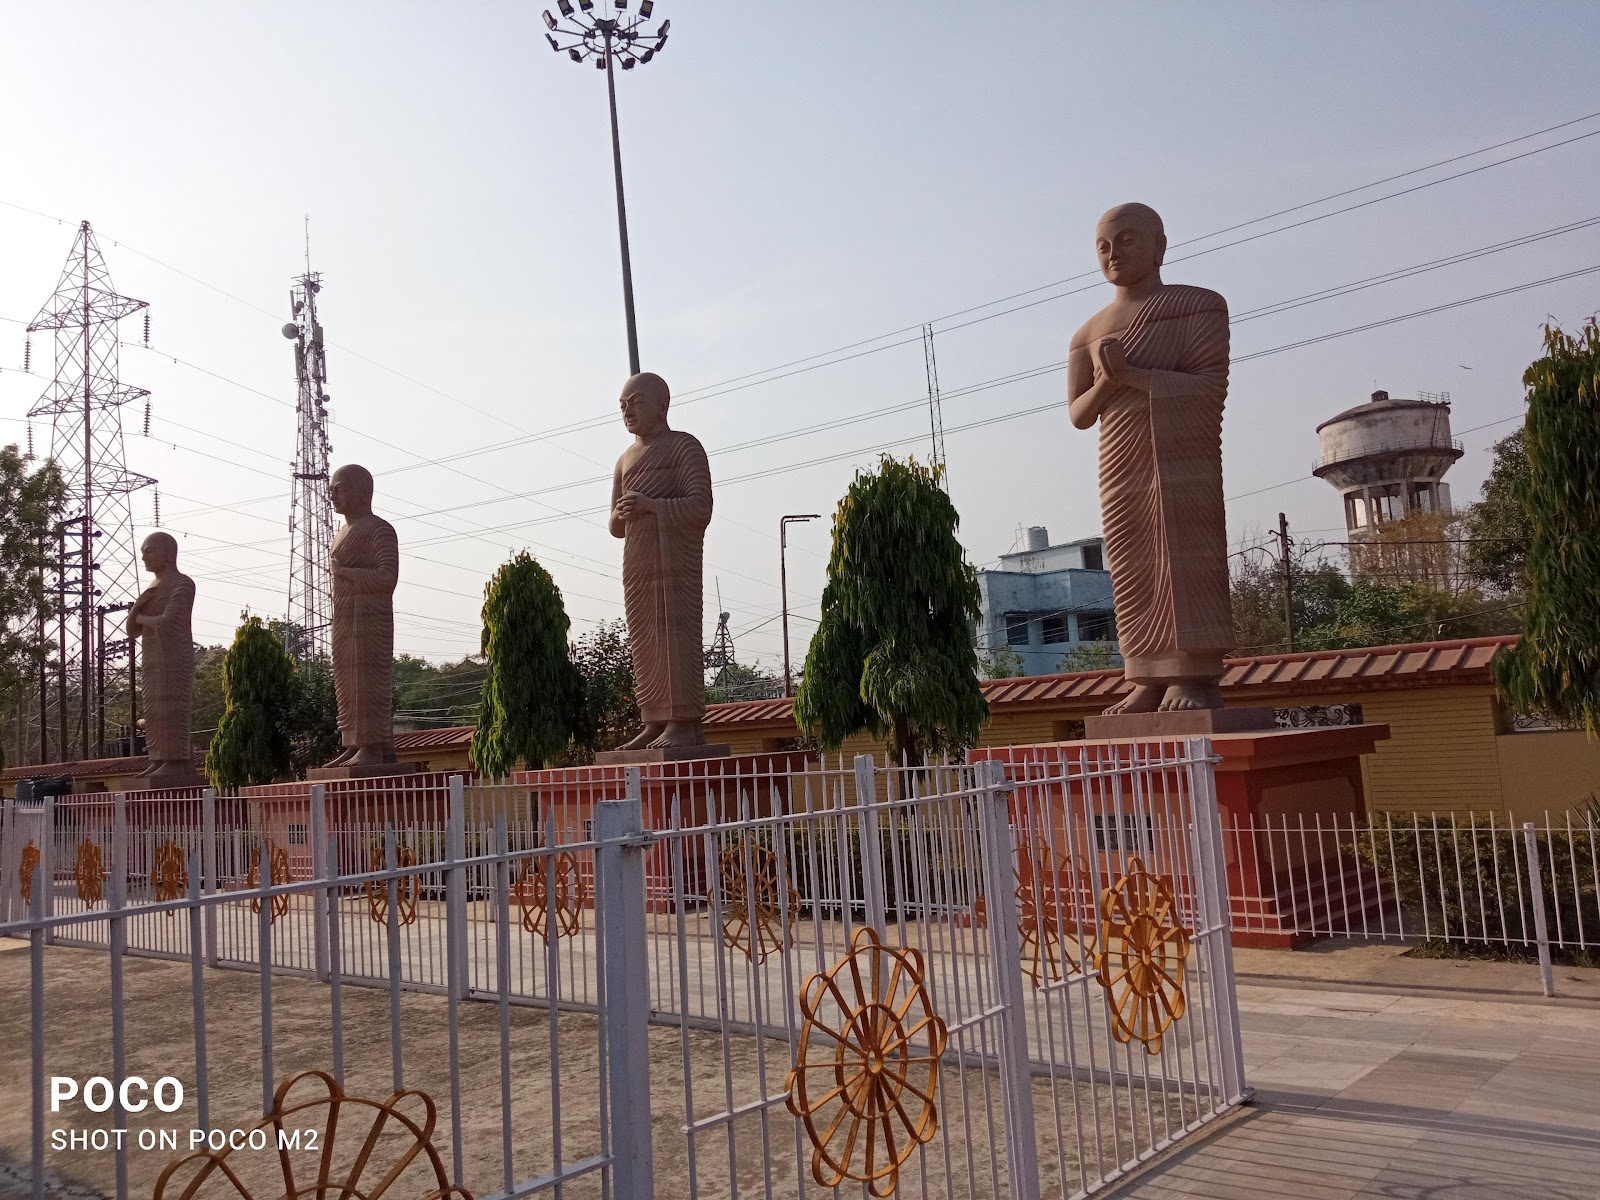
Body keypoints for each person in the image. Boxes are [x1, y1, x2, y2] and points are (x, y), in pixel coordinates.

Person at [1068, 203, 1235, 714]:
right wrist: (1107, 382)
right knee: (1131, 560)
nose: (1113, 254)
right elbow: (1078, 413)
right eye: (1103, 246)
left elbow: (1209, 386)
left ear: (1160, 245)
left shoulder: (1198, 306)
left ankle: (1192, 674)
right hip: (1120, 460)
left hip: (1184, 462)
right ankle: (1144, 674)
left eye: (1127, 240)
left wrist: (1134, 375)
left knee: (1183, 554)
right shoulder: (1087, 333)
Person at [609, 372, 713, 749]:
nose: (627, 411)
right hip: (638, 563)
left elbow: (701, 508)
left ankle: (683, 721)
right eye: (622, 406)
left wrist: (652, 506)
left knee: (675, 635)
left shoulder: (684, 447)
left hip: (675, 564)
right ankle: (654, 720)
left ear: (662, 405)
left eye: (635, 402)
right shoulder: (624, 461)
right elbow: (615, 527)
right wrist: (624, 512)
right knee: (645, 638)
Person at [324, 464, 400, 765]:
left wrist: (347, 573)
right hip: (344, 617)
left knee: (368, 682)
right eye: (330, 490)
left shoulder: (378, 529)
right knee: (346, 682)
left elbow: (386, 578)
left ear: (363, 492)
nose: (332, 496)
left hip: (370, 618)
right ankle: (354, 743)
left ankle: (372, 746)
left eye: (339, 489)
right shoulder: (341, 532)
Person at [127, 532, 198, 781]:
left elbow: (169, 622)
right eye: (143, 551)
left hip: (174, 656)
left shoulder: (182, 584)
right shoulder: (151, 588)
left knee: (172, 709)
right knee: (153, 710)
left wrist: (140, 616)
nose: (143, 556)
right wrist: (137, 608)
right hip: (152, 657)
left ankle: (176, 761)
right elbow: (132, 631)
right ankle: (157, 758)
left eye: (149, 550)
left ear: (167, 555)